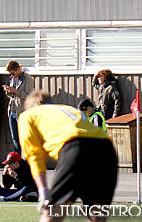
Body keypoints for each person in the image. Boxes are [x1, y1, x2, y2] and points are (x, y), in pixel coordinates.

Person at [19, 92, 117, 222]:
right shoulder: (69, 109)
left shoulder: (28, 115)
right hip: (105, 147)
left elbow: (34, 155)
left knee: (53, 213)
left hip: (75, 146)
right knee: (96, 213)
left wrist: (43, 190)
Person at [4, 61, 33, 154]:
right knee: (14, 136)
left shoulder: (27, 79)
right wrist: (8, 91)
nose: (12, 75)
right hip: (12, 110)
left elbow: (29, 96)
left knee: (24, 136)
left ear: (18, 69)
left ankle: (26, 157)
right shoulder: (13, 79)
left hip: (22, 111)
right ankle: (17, 158)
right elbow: (12, 96)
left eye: (13, 73)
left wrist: (15, 91)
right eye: (10, 74)